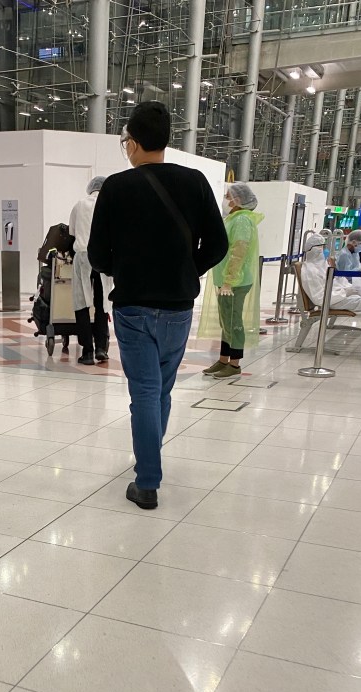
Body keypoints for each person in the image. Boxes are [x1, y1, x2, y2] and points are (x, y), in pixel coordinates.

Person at [87, 101, 228, 510]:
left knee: (145, 393)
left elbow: (97, 255)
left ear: (132, 143)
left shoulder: (116, 187)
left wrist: (126, 269)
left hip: (132, 307)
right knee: (161, 390)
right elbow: (217, 244)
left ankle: (147, 479)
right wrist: (187, 270)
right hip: (178, 307)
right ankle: (149, 457)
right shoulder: (196, 182)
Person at [198, 182, 263, 379]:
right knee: (225, 321)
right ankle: (223, 359)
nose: (226, 200)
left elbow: (239, 251)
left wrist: (229, 280)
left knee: (233, 321)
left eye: (228, 197)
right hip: (226, 280)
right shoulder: (233, 218)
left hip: (235, 281)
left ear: (238, 200)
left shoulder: (242, 220)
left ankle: (234, 364)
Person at [300, 234, 361, 363]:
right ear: (312, 249)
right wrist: (345, 292)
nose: (323, 250)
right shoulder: (309, 269)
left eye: (323, 246)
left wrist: (349, 289)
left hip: (342, 296)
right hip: (334, 300)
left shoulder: (324, 265)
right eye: (320, 247)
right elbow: (319, 296)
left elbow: (339, 280)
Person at [69, 177, 112, 365]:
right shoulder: (109, 204)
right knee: (102, 303)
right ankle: (101, 348)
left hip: (83, 256)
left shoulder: (79, 205)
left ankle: (87, 352)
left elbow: (71, 232)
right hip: (103, 257)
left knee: (82, 304)